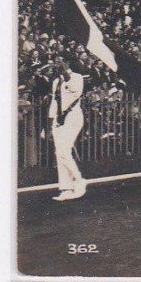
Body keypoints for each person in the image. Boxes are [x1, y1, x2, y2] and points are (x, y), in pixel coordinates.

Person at [48, 58, 86, 201]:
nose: (58, 64)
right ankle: (66, 188)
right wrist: (51, 122)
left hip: (73, 117)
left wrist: (66, 73)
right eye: (56, 62)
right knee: (60, 153)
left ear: (67, 63)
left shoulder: (77, 77)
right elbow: (54, 102)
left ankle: (79, 179)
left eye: (61, 62)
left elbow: (75, 90)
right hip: (59, 120)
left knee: (64, 151)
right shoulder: (55, 82)